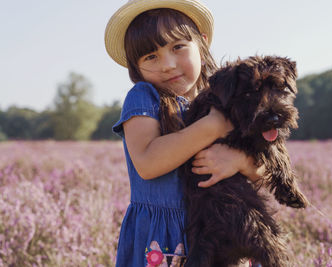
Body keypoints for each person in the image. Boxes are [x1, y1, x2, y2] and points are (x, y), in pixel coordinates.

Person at [105, 0, 266, 266]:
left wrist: (240, 161)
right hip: (166, 241)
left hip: (225, 231)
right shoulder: (144, 98)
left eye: (178, 47)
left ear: (201, 44)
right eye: (151, 57)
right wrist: (213, 126)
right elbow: (147, 162)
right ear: (136, 66)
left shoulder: (227, 97)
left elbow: (265, 168)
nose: (167, 64)